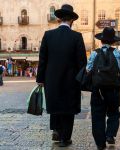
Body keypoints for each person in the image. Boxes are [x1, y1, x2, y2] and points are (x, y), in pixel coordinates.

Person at [36, 4, 87, 147]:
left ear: (59, 19)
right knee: (68, 108)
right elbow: (82, 62)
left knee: (55, 104)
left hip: (51, 79)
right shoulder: (77, 37)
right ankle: (65, 138)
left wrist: (40, 79)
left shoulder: (48, 35)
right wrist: (81, 81)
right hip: (71, 80)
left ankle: (56, 131)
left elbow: (43, 59)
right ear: (72, 20)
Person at [86, 27, 120, 150]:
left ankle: (100, 143)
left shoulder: (94, 53)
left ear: (101, 41)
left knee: (97, 115)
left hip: (98, 90)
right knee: (114, 113)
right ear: (113, 41)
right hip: (113, 89)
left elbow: (88, 69)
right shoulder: (118, 53)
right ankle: (110, 135)